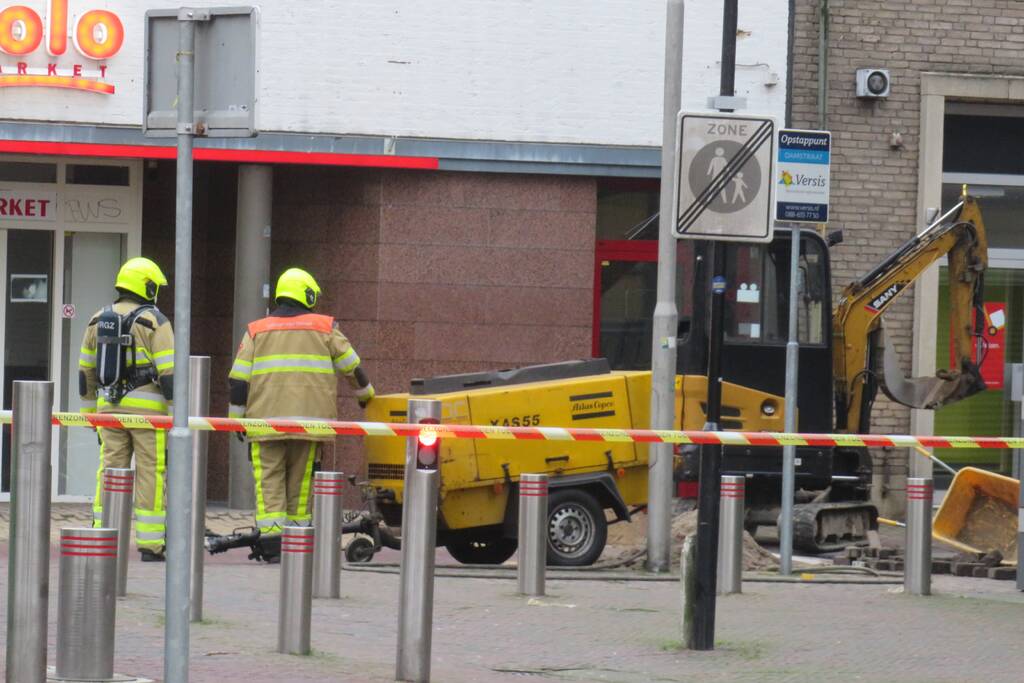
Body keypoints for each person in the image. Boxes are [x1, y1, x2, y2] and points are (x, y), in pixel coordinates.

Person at [228, 267, 375, 560]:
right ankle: (297, 545)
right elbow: (353, 367)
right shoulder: (324, 327)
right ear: (307, 295)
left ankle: (272, 546)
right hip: (309, 425)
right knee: (300, 485)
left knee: (269, 484)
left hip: (265, 424)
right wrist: (366, 396)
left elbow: (238, 380)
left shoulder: (256, 330)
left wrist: (236, 420)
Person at [80, 257, 174, 562]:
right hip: (149, 416)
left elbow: (85, 372)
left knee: (109, 470)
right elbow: (169, 374)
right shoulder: (155, 321)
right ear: (147, 287)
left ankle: (101, 531)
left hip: (108, 411)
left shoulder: (97, 319)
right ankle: (151, 543)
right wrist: (175, 416)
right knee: (151, 474)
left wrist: (91, 414)